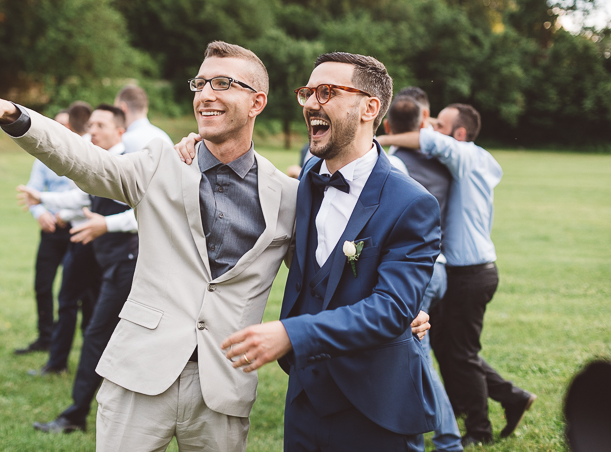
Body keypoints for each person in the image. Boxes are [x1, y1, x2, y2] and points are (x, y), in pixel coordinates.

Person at [0, 41, 430, 450]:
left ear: (257, 102)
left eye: (223, 83)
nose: (205, 94)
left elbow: (327, 271)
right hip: (140, 373)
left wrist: (409, 311)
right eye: (200, 84)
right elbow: (85, 161)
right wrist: (13, 115)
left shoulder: (291, 195)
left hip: (223, 387)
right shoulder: (161, 162)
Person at [218, 52, 442, 451]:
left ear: (369, 108)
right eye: (307, 93)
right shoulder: (306, 180)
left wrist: (290, 332)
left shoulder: (412, 203)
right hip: (306, 397)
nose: (309, 104)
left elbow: (392, 309)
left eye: (326, 92)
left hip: (376, 406)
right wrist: (197, 143)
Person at [377, 103, 536, 446]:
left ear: (459, 134)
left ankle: (480, 430)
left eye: (441, 126)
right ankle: (508, 398)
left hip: (470, 272)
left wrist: (377, 136)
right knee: (449, 350)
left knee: (459, 354)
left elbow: (424, 139)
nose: (434, 129)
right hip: (465, 269)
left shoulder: (463, 155)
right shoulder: (476, 158)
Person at [18, 105, 140, 433]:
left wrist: (107, 225)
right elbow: (79, 200)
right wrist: (40, 196)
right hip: (105, 260)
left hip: (127, 264)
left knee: (99, 334)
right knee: (104, 332)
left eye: (100, 124)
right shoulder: (98, 162)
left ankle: (76, 415)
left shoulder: (132, 163)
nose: (92, 130)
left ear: (120, 131)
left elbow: (144, 213)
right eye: (91, 124)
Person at [384, 95, 462, 452]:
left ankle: (447, 442)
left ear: (387, 127)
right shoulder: (444, 162)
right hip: (441, 266)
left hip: (416, 270)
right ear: (423, 125)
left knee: (419, 357)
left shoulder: (390, 164)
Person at [14, 111, 77, 355]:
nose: (62, 128)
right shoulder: (42, 159)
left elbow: (89, 196)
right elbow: (32, 191)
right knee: (43, 285)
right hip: (50, 230)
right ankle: (45, 336)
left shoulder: (85, 155)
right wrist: (40, 214)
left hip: (75, 230)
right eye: (57, 125)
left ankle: (80, 337)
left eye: (66, 124)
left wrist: (66, 214)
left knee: (75, 291)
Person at [114, 85, 172, 152]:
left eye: (116, 111)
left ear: (123, 108)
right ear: (146, 109)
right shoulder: (164, 137)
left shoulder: (123, 142)